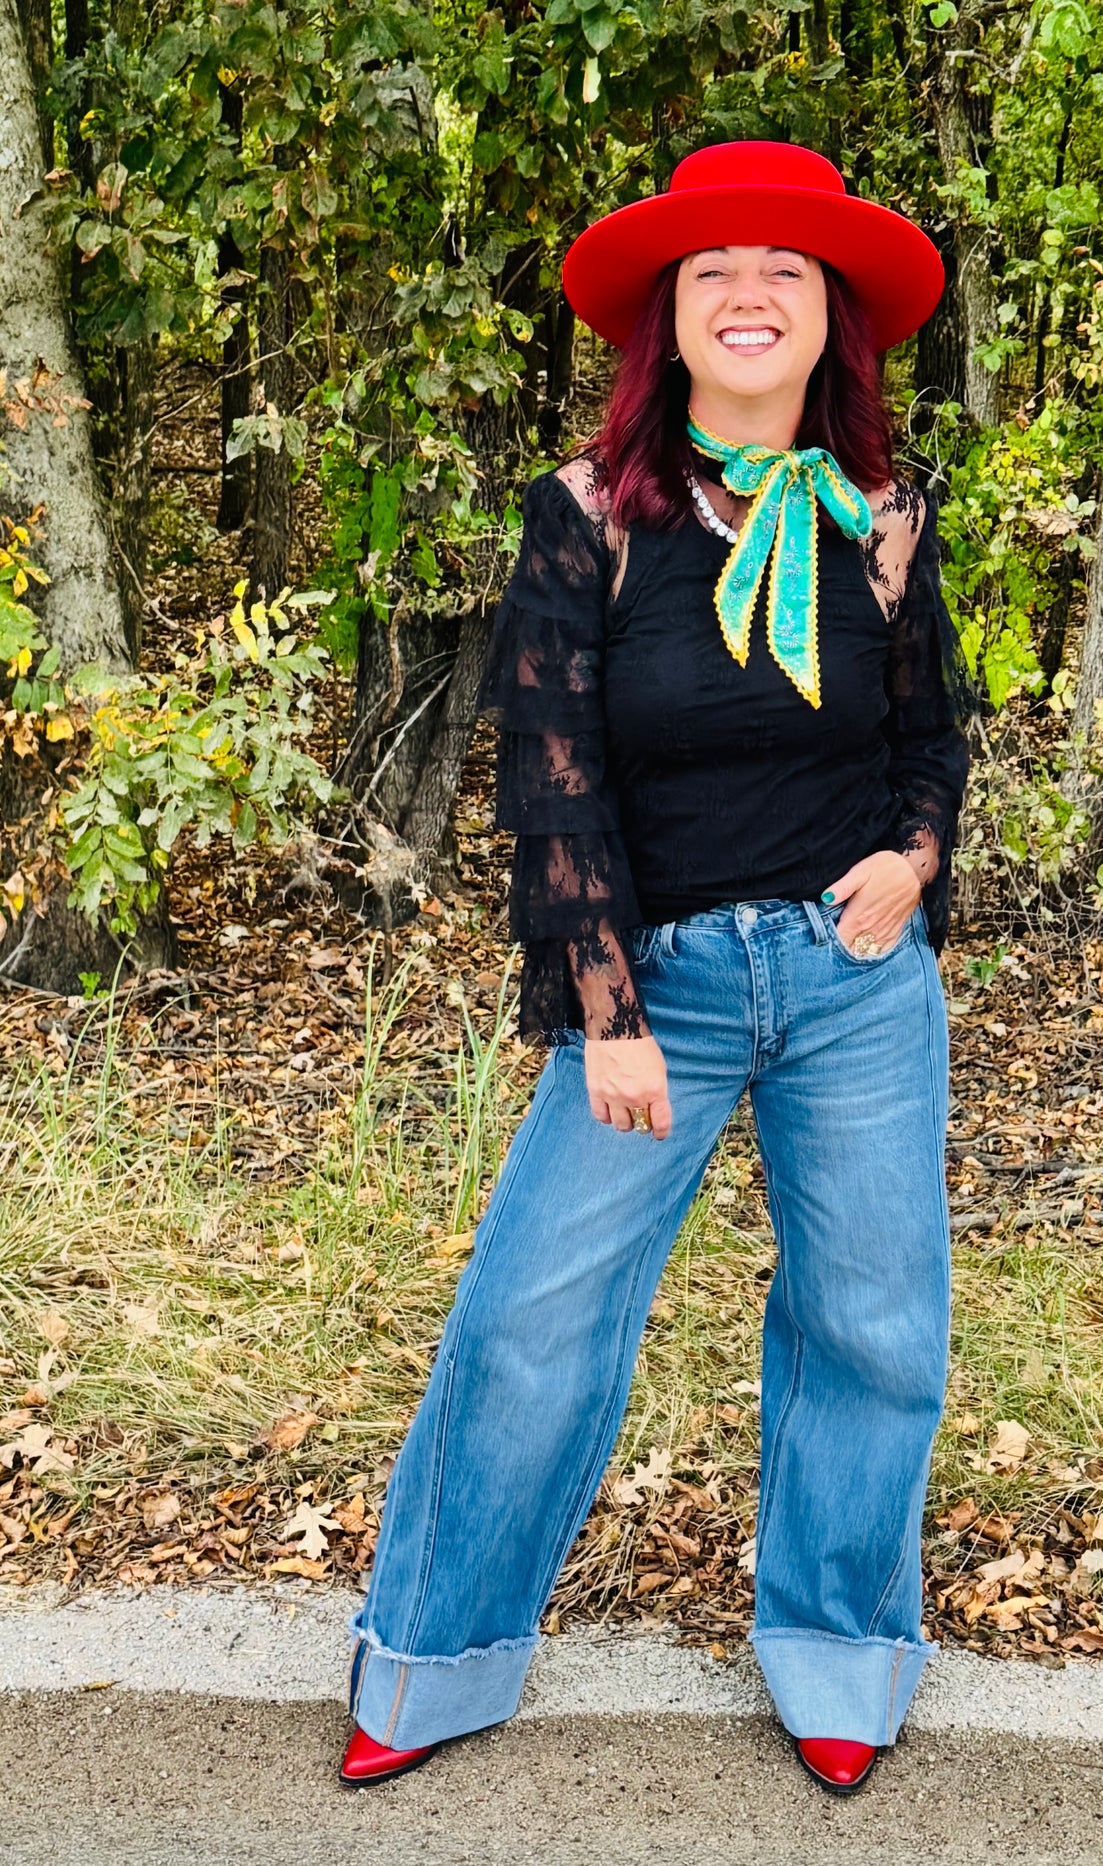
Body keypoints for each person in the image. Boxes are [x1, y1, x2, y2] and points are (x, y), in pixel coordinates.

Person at [339, 139, 976, 1798]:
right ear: (669, 319)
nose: (750, 294)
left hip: (854, 980)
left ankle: (838, 1651)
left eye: (786, 268)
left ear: (831, 314)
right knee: (533, 1311)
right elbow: (551, 772)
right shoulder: (586, 517)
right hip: (662, 988)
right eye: (715, 271)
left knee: (874, 1323)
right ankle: (432, 1655)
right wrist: (607, 1007)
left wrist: (913, 862)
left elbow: (931, 736)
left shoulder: (884, 519)